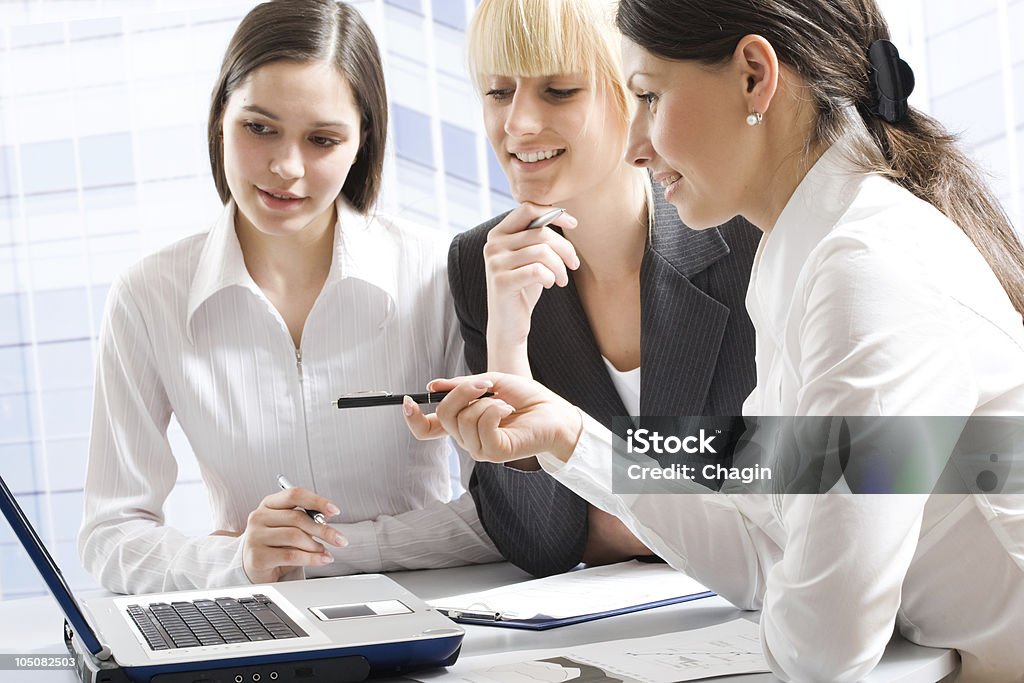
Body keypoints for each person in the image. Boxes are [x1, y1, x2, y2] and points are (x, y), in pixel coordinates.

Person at [406, 0, 1024, 680]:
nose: (635, 145)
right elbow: (767, 548)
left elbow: (822, 649)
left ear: (755, 77)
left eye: (648, 96)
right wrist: (572, 438)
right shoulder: (806, 258)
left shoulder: (863, 270)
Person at [79, 0, 500, 595]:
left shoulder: (438, 272)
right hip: (255, 621)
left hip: (436, 611)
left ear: (361, 143)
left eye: (322, 140)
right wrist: (238, 562)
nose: (285, 167)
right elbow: (112, 534)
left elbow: (503, 514)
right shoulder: (149, 295)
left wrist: (318, 552)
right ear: (221, 116)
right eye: (259, 128)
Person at [449, 0, 760, 577]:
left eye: (559, 91)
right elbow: (540, 542)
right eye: (498, 92)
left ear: (636, 95)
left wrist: (609, 515)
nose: (517, 123)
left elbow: (800, 492)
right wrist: (509, 345)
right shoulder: (481, 263)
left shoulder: (747, 236)